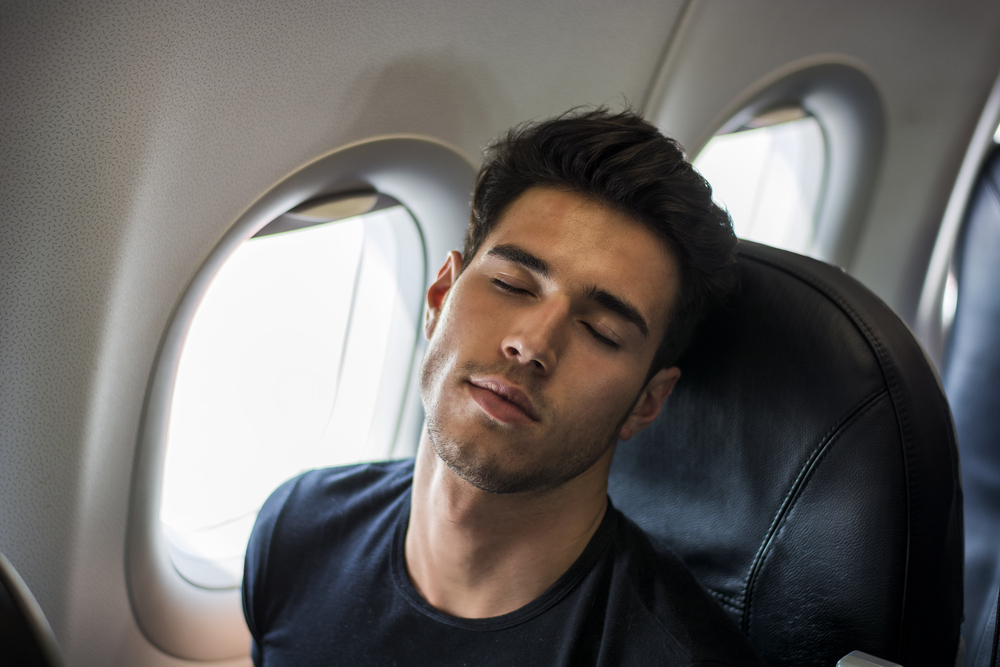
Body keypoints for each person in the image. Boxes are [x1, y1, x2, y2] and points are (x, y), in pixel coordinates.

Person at [242, 108, 763, 666]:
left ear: (646, 402)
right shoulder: (297, 531)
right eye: (512, 284)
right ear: (440, 298)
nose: (534, 344)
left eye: (600, 330)